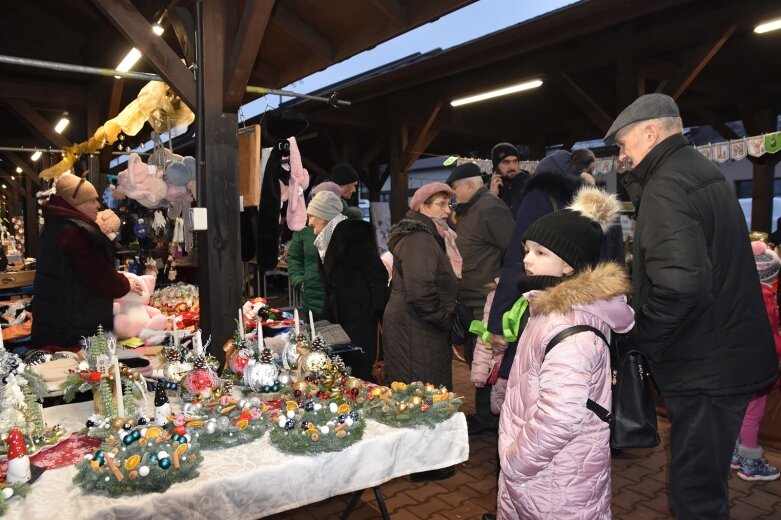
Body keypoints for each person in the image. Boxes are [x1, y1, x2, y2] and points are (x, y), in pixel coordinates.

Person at [605, 93, 777, 519]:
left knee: (695, 492)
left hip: (706, 364)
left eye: (624, 146)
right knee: (705, 481)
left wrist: (641, 339)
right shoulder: (700, 170)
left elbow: (680, 286)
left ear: (651, 131)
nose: (622, 157)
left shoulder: (666, 185)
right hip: (724, 352)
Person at [496, 187, 634, 519]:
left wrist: (515, 462)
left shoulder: (570, 327)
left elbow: (560, 419)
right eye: (527, 249)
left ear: (569, 266)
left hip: (554, 479)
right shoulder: (547, 307)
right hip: (546, 475)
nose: (527, 259)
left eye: (541, 252)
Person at [483, 150, 585, 433]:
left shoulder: (539, 197)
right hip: (584, 308)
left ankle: (518, 458)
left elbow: (516, 262)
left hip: (544, 303)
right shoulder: (593, 202)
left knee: (530, 394)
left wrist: (498, 322)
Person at [32, 173, 144, 350]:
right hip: (73, 330)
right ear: (76, 202)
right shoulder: (74, 234)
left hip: (59, 324)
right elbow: (101, 278)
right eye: (91, 200)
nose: (98, 205)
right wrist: (125, 283)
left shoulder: (57, 226)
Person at [447, 162, 514, 435]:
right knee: (477, 359)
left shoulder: (490, 208)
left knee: (485, 359)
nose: (453, 195)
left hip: (484, 301)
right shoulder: (468, 210)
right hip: (470, 298)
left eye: (454, 189)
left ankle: (490, 418)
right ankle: (486, 415)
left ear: (470, 186)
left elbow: (512, 250)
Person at [383, 182, 459, 388]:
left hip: (418, 326)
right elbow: (420, 291)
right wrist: (444, 320)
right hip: (416, 329)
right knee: (421, 396)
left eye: (449, 204)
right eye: (441, 204)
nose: (447, 210)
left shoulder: (430, 235)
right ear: (422, 207)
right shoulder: (418, 237)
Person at [306, 191, 388, 381]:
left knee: (363, 374)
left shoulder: (352, 236)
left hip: (362, 321)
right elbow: (331, 288)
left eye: (312, 216)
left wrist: (377, 311)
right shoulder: (325, 243)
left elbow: (377, 274)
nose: (309, 222)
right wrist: (323, 321)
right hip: (341, 324)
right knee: (345, 374)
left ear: (325, 215)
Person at [731, 241, 781, 481]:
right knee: (754, 413)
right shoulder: (765, 297)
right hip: (758, 364)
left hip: (737, 361)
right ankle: (750, 463)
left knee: (739, 409)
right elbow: (770, 336)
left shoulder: (737, 291)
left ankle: (734, 453)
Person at [286, 183, 344, 320]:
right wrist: (301, 283)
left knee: (337, 339)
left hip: (339, 304)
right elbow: (294, 258)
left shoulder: (344, 230)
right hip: (311, 300)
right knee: (315, 337)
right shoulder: (304, 230)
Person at [488, 142, 529, 218]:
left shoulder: (528, 184)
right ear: (496, 166)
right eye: (506, 162)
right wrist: (492, 196)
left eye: (515, 161)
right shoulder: (486, 188)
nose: (512, 167)